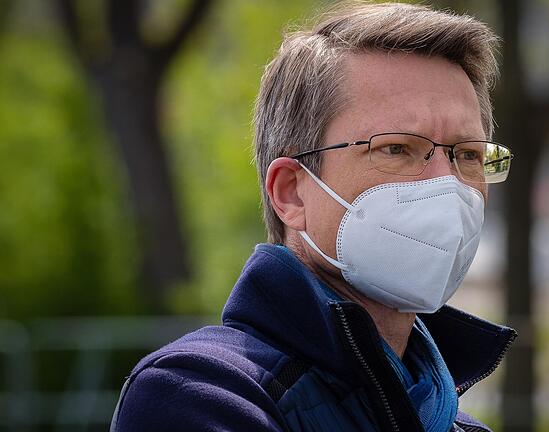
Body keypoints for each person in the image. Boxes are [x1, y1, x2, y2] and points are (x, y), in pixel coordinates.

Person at [111, 2, 516, 431]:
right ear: (291, 192)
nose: (446, 182)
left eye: (468, 154)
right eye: (396, 148)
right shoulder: (199, 395)